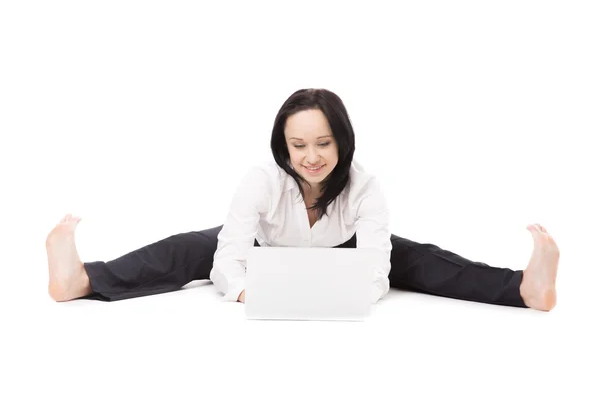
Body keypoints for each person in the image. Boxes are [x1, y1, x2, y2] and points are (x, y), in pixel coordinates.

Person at [45, 88, 560, 311]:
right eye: (298, 145)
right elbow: (227, 258)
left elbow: (377, 268)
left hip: (344, 249)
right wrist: (247, 292)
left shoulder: (366, 187)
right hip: (267, 250)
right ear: (282, 145)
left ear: (342, 141)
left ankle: (524, 290)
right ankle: (81, 279)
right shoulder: (259, 181)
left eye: (323, 144)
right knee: (186, 248)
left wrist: (350, 293)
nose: (311, 157)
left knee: (423, 260)